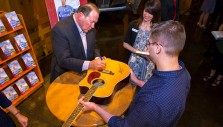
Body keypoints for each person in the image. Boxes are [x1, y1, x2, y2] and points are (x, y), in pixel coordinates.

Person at [79, 20, 191, 127]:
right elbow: (156, 88)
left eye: (149, 43)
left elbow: (123, 125)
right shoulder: (184, 74)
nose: (147, 46)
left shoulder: (152, 101)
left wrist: (95, 107)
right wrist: (137, 81)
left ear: (158, 48)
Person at [50, 3, 106, 83]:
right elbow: (64, 60)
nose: (93, 26)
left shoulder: (90, 28)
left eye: (95, 23)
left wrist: (97, 59)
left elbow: (94, 46)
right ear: (80, 16)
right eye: (91, 21)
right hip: (65, 78)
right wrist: (90, 64)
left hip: (85, 76)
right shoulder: (60, 30)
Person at [123, 0, 161, 84]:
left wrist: (150, 53)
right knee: (131, 87)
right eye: (145, 11)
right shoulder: (133, 24)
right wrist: (137, 51)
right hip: (133, 62)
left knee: (145, 89)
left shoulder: (157, 29)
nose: (146, 15)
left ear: (155, 15)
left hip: (149, 64)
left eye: (150, 13)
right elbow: (125, 44)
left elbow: (160, 49)